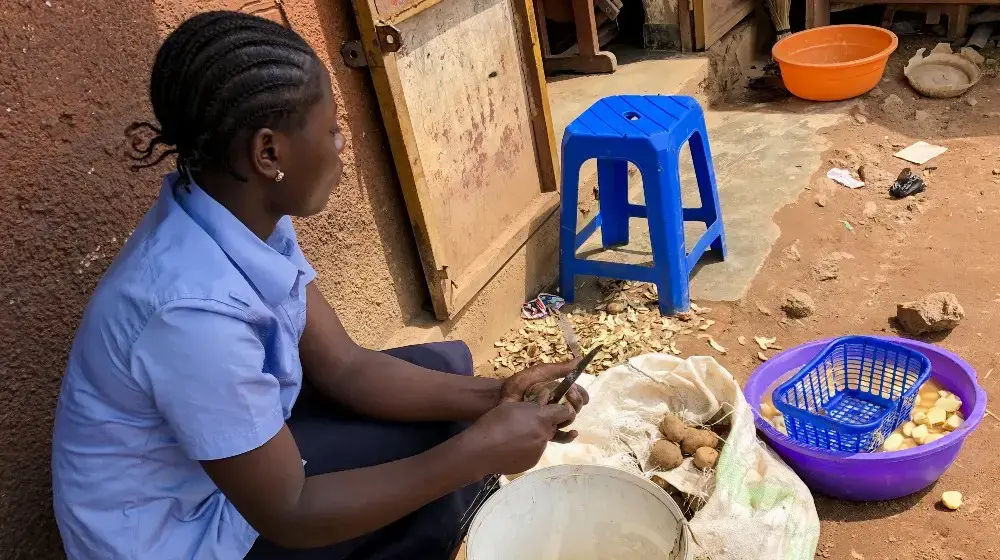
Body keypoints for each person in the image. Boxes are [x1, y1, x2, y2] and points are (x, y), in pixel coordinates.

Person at [51, 11, 588, 560]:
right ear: (269, 153)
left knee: (447, 380)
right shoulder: (190, 313)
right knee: (446, 463)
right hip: (183, 534)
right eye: (330, 128)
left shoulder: (239, 214)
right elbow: (291, 511)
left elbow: (345, 366)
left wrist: (497, 396)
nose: (342, 143)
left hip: (225, 479)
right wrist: (478, 453)